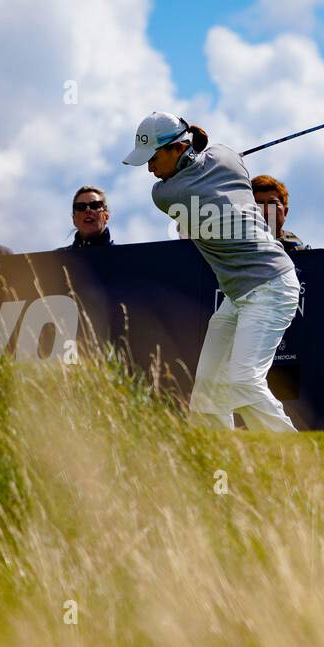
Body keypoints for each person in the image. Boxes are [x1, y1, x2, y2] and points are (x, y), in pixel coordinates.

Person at [123, 111, 300, 433]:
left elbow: (199, 173)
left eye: (153, 158)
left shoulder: (164, 195)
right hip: (240, 294)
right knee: (208, 385)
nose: (149, 168)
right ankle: (219, 457)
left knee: (244, 381)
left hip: (270, 286)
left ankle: (299, 458)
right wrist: (220, 158)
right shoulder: (226, 158)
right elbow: (221, 156)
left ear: (177, 148)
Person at [251, 175, 309, 254]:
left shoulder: (300, 251)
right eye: (258, 205)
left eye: (273, 204)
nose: (266, 211)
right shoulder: (237, 246)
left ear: (285, 212)